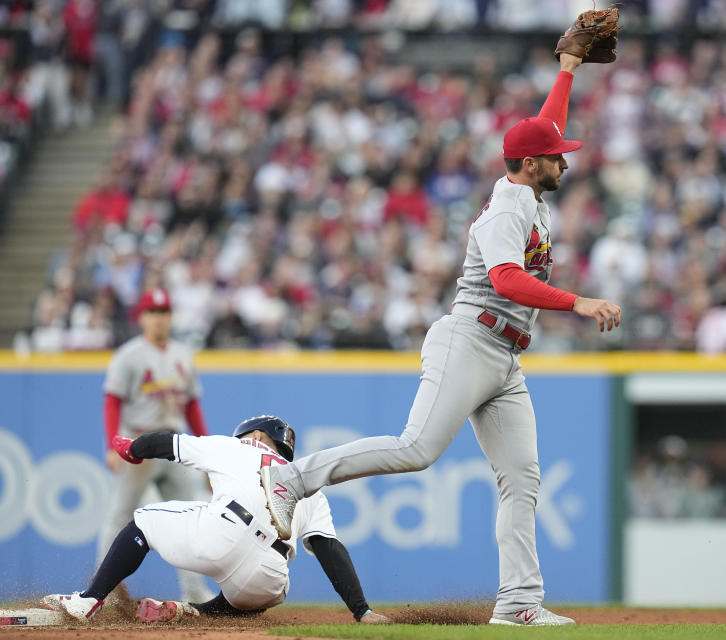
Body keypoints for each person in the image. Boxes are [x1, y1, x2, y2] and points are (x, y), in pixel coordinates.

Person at [259, 52, 621, 627]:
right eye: (556, 158)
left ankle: (519, 602)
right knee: (416, 450)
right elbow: (505, 278)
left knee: (522, 478)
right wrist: (580, 302)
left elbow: (544, 127)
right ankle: (293, 479)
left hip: (504, 356)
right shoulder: (509, 207)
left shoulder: (528, 188)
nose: (565, 162)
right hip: (470, 337)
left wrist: (569, 69)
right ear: (532, 165)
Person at [43, 415, 390, 625]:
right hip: (268, 577)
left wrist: (132, 448)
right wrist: (362, 610)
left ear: (255, 436)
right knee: (264, 589)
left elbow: (167, 443)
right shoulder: (310, 487)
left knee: (142, 521)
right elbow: (330, 551)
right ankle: (193, 611)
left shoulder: (235, 446)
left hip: (220, 535)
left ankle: (87, 601)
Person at [97, 287, 214, 603]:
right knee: (120, 517)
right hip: (139, 445)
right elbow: (112, 402)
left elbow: (191, 406)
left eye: (164, 312)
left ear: (170, 317)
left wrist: (204, 449)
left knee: (191, 518)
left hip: (175, 446)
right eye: (153, 312)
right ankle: (102, 594)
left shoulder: (182, 354)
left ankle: (194, 592)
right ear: (143, 317)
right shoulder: (129, 355)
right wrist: (112, 445)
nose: (159, 318)